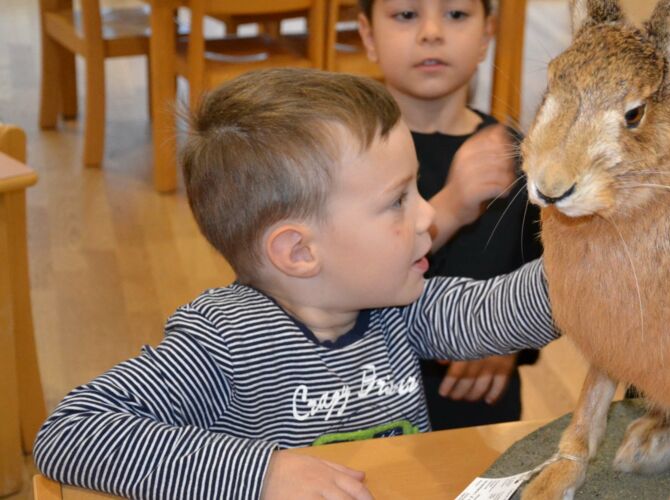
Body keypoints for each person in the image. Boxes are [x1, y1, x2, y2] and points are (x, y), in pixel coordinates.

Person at [32, 68, 556, 499]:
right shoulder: (224, 339)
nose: (426, 218)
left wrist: (602, 264)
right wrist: (262, 474)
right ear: (300, 252)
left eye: (417, 189)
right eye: (398, 200)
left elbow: (506, 308)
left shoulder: (402, 305)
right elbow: (71, 431)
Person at [355, 0, 544, 429]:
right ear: (368, 36)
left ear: (486, 35)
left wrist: (510, 342)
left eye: (456, 14)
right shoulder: (344, 157)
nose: (432, 32)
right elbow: (342, 281)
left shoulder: (519, 153)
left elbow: (545, 279)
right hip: (369, 406)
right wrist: (452, 205)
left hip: (482, 411)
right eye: (406, 15)